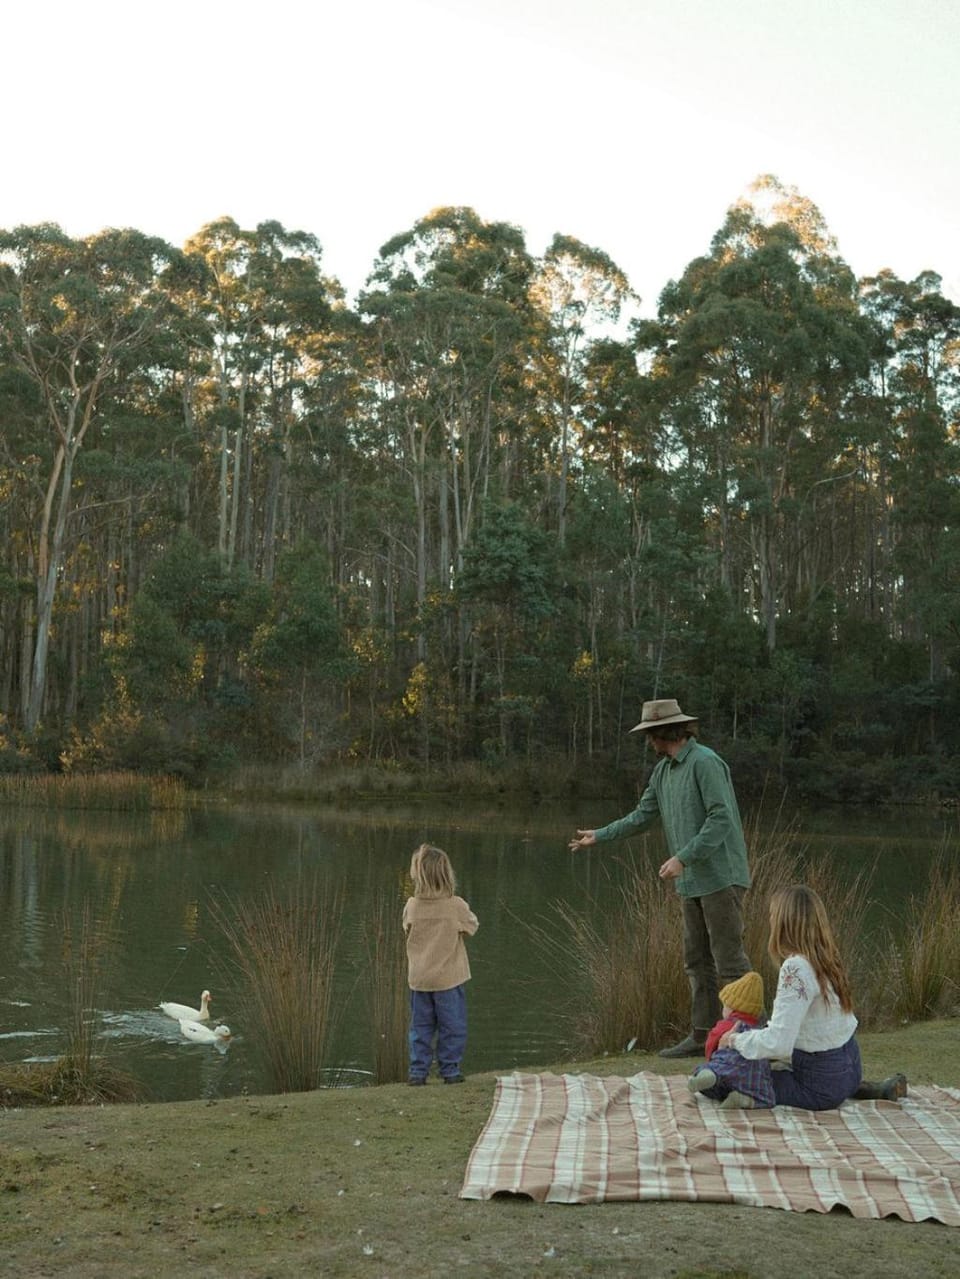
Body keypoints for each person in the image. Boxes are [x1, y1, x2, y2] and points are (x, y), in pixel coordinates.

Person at [569, 698, 751, 1058]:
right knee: (696, 961)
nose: (648, 741)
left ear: (665, 731)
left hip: (720, 877)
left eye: (650, 734)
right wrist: (600, 835)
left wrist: (683, 858)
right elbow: (642, 815)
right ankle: (702, 1037)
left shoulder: (706, 764)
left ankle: (748, 1034)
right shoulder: (663, 771)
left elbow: (720, 819)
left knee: (729, 960)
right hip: (692, 881)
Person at [713, 884, 907, 1110]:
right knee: (760, 1058)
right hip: (850, 1068)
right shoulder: (827, 958)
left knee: (727, 1079)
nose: (771, 921)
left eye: (773, 915)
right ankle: (863, 1088)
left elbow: (779, 1044)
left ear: (784, 923)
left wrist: (733, 1041)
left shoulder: (795, 969)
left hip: (819, 1085)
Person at [403, 843, 479, 1086]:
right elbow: (472, 926)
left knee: (420, 1028)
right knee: (452, 1026)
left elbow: (407, 927)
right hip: (449, 978)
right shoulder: (455, 905)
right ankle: (450, 1070)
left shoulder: (412, 906)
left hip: (420, 979)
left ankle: (418, 1073)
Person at [687, 971, 777, 1109]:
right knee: (765, 1096)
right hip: (751, 1077)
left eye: (725, 1006)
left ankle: (709, 1075)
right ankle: (744, 1099)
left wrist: (712, 1056)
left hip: (726, 1069)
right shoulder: (759, 1031)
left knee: (711, 1074)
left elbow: (712, 1044)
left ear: (732, 1008)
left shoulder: (729, 1025)